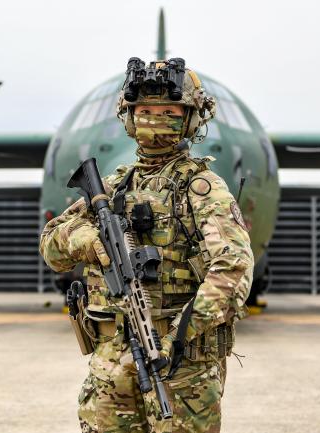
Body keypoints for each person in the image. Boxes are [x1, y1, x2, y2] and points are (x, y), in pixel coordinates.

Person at [40, 58, 253, 433]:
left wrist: (178, 335)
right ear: (129, 117)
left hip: (178, 370)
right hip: (110, 371)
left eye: (168, 111)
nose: (155, 120)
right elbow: (51, 246)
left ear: (189, 120)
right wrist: (87, 240)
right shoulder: (111, 188)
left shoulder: (202, 190)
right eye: (145, 111)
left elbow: (233, 270)